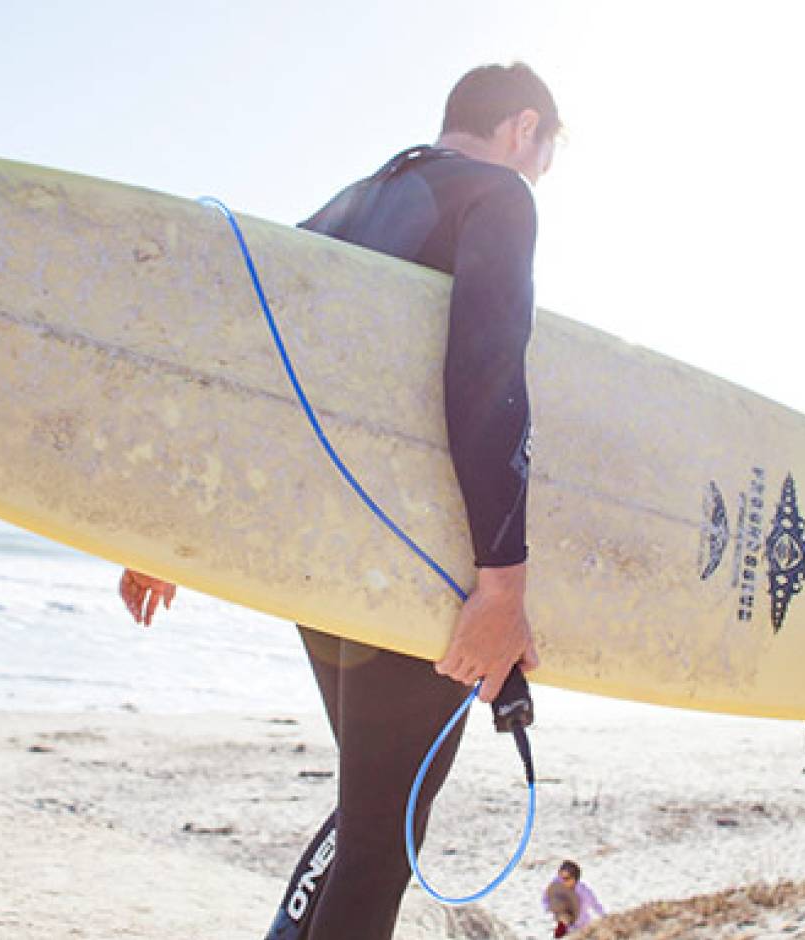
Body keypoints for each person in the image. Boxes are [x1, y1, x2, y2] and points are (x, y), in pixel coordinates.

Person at [119, 63, 560, 939]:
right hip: (403, 563)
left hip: (316, 573)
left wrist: (170, 532)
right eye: (546, 154)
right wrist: (502, 587)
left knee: (370, 813)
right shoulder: (497, 196)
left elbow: (245, 373)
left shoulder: (349, 204)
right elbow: (485, 375)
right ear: (521, 129)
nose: (541, 174)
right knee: (380, 844)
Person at [541, 860, 605, 936]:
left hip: (582, 928)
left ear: (575, 879)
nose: (562, 880)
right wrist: (551, 908)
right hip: (564, 925)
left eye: (566, 878)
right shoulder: (557, 884)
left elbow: (596, 905)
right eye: (560, 876)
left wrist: (605, 918)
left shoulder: (584, 892)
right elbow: (546, 898)